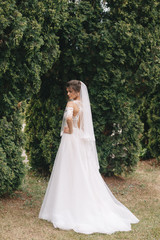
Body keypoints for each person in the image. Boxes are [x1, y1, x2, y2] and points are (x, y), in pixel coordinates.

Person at [39, 80, 139, 234]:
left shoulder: (71, 104)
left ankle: (65, 205)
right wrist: (76, 131)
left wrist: (69, 130)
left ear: (77, 92)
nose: (68, 94)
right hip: (80, 140)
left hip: (71, 139)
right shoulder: (84, 106)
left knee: (68, 168)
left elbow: (69, 119)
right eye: (67, 92)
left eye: (70, 91)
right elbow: (84, 126)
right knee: (80, 168)